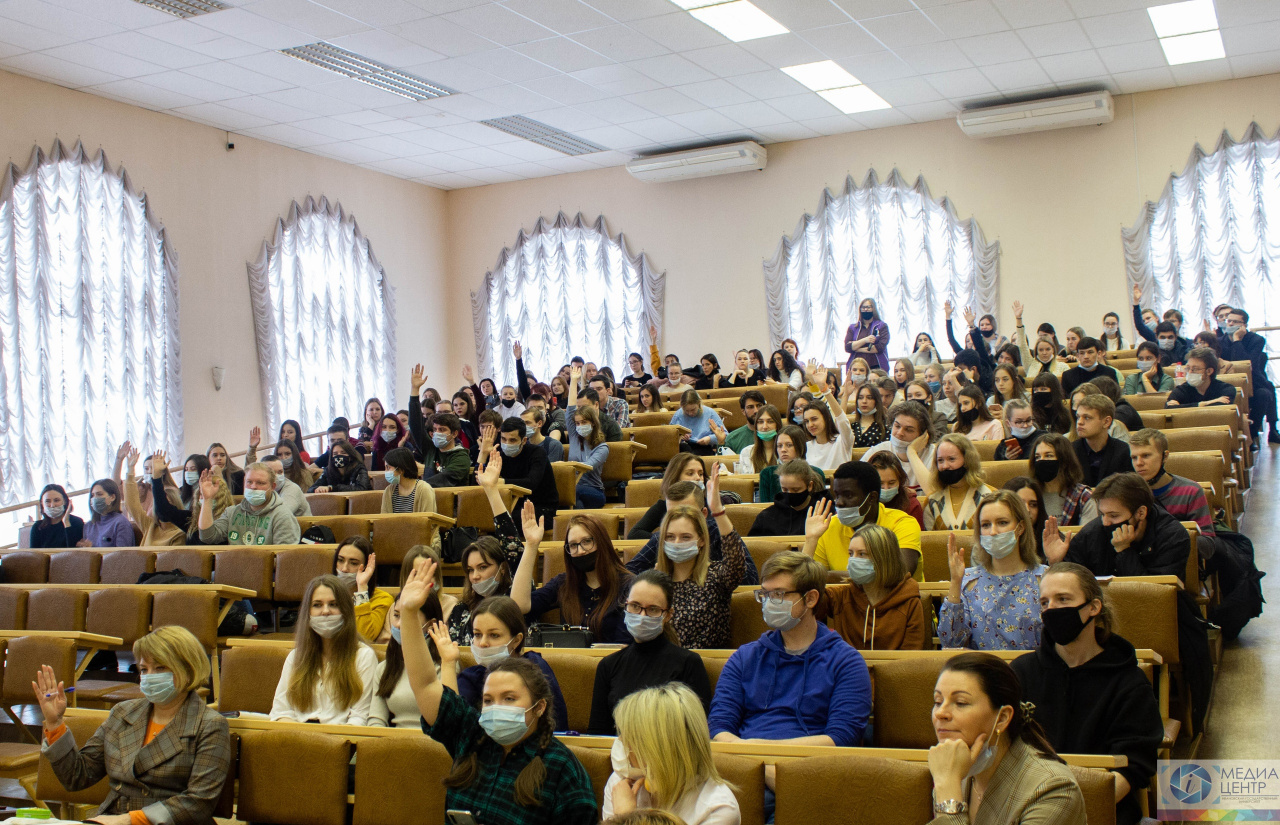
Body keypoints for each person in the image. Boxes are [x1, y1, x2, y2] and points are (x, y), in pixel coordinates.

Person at [401, 569, 600, 825]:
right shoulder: (472, 737)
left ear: (539, 707)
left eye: (509, 699)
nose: (496, 707)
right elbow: (426, 683)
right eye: (488, 700)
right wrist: (408, 613)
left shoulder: (563, 768)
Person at [709, 552, 871, 818]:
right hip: (742, 772)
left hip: (807, 773)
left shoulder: (846, 662)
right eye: (764, 594)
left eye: (779, 594)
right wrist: (761, 767)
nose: (768, 602)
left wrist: (770, 763)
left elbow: (841, 738)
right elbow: (718, 727)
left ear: (811, 599)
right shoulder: (744, 657)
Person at [1045, 472, 1210, 726]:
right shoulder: (1094, 533)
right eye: (1102, 514)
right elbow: (1069, 584)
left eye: (1114, 516)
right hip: (1102, 620)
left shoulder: (1173, 535)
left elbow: (1152, 598)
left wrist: (1124, 551)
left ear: (1141, 513)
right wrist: (1057, 563)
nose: (1105, 522)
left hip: (1156, 621)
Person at [1012, 563, 1164, 825]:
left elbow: (1132, 766)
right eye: (1045, 602)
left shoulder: (1128, 682)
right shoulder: (1021, 672)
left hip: (1101, 810)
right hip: (1028, 808)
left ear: (1093, 607)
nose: (1052, 610)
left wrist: (1064, 812)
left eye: (1063, 599)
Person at [35, 626, 231, 824]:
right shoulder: (122, 713)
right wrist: (54, 723)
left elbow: (198, 803)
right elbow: (77, 776)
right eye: (144, 669)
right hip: (111, 819)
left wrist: (127, 820)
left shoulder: (210, 725)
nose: (150, 676)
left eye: (160, 668)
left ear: (188, 670)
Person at [927, 652, 1086, 824]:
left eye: (961, 702)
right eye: (938, 701)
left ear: (1002, 718)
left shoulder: (1053, 788)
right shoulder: (953, 769)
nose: (940, 713)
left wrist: (949, 797)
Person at [588, 571, 713, 736]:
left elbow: (697, 731)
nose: (642, 616)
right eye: (635, 606)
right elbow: (598, 733)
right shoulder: (608, 665)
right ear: (626, 606)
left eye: (653, 609)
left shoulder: (688, 663)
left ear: (668, 615)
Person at [603, 684, 740, 825]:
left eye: (630, 738)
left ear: (658, 748)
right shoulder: (620, 785)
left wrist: (626, 818)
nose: (622, 743)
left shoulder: (718, 809)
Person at [939, 490, 1047, 650]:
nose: (993, 532)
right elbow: (951, 644)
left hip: (1032, 665)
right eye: (985, 525)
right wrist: (955, 582)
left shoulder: (1044, 578)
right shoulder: (967, 580)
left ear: (1020, 527)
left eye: (1002, 522)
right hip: (982, 665)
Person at [654, 468, 747, 649]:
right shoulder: (656, 581)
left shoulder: (716, 576)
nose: (677, 543)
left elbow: (736, 562)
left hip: (705, 661)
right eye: (670, 537)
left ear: (701, 540)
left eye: (686, 537)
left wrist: (718, 511)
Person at [512, 506, 632, 644]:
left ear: (602, 542)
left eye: (587, 541)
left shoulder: (628, 585)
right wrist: (531, 545)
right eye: (573, 545)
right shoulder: (563, 583)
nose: (580, 551)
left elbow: (625, 645)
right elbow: (519, 605)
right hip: (569, 657)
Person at [269, 573, 378, 724]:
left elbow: (360, 718)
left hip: (341, 736)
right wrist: (300, 735)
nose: (325, 611)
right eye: (317, 605)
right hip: (296, 733)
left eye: (333, 604)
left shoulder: (364, 656)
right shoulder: (295, 657)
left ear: (346, 610)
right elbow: (280, 711)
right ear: (308, 612)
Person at [449, 596, 569, 732]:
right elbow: (454, 725)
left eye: (494, 635)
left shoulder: (535, 668)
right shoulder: (471, 677)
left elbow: (556, 725)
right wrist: (448, 664)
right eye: (477, 634)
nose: (483, 643)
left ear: (516, 640)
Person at [804, 460, 922, 579]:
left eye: (848, 495)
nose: (839, 502)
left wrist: (831, 576)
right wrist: (811, 540)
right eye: (837, 495)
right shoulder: (828, 527)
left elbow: (900, 573)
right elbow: (810, 579)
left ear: (872, 498)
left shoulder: (902, 523)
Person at [626, 483, 761, 587]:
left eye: (688, 514)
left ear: (704, 514)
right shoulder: (662, 537)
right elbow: (628, 574)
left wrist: (707, 575)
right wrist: (651, 579)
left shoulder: (719, 532)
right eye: (672, 515)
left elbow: (750, 579)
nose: (679, 521)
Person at [820, 524, 926, 650]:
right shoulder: (842, 595)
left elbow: (911, 653)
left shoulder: (909, 601)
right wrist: (811, 540)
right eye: (850, 554)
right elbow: (806, 603)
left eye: (861, 554)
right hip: (846, 663)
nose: (853, 560)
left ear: (882, 558)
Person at [368, 594, 446, 728]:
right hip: (393, 740)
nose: (399, 624)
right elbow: (376, 720)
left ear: (430, 625)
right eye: (396, 615)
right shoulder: (384, 668)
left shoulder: (446, 664)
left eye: (408, 617)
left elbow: (446, 720)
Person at [1128, 428, 1215, 536]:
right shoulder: (1128, 494)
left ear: (1165, 456)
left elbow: (1207, 539)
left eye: (1146, 456)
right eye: (1134, 458)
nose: (1138, 463)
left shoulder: (1191, 491)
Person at [1220, 306, 1280, 443]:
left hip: (1253, 381)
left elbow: (1246, 365)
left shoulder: (1256, 340)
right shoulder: (1220, 341)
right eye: (1229, 321)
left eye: (1235, 322)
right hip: (1228, 383)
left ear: (1244, 325)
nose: (1230, 324)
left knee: (1265, 392)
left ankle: (1253, 434)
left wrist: (1237, 341)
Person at [493, 417, 558, 530]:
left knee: (505, 521)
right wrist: (483, 453)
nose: (507, 444)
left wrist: (502, 482)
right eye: (503, 439)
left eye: (512, 440)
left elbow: (531, 483)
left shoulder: (537, 453)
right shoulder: (499, 454)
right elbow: (482, 480)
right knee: (486, 515)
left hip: (542, 507)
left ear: (523, 440)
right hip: (512, 505)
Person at [922, 434, 995, 531]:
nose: (945, 466)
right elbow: (929, 538)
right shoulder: (932, 501)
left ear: (967, 460)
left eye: (951, 459)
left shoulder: (990, 496)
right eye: (940, 460)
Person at [862, 401, 937, 495]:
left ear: (923, 435)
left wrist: (911, 452)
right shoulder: (877, 451)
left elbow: (934, 495)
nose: (899, 433)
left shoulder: (933, 455)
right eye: (897, 426)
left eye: (909, 430)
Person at [627, 455, 706, 541]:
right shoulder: (663, 506)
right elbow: (634, 534)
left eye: (701, 474)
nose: (698, 478)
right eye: (690, 473)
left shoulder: (710, 504)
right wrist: (668, 537)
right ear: (676, 477)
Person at [1028, 433, 1097, 526]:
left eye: (1048, 456)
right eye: (1037, 457)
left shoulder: (1084, 497)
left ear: (1064, 460)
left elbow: (1088, 533)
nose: (1041, 461)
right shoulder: (1029, 494)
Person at [333, 537, 394, 641]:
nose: (344, 569)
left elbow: (364, 638)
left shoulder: (382, 599)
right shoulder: (326, 595)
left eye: (353, 563)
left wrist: (362, 587)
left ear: (366, 567)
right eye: (340, 560)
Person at [749, 460, 828, 537]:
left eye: (796, 490)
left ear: (810, 486)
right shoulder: (766, 517)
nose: (790, 493)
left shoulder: (823, 512)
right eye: (785, 489)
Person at [1071, 395, 1132, 487]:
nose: (1079, 422)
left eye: (1087, 417)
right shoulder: (1070, 451)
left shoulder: (1123, 451)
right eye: (1078, 417)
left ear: (1106, 422)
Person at [757, 425, 824, 506]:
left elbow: (820, 506)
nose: (783, 450)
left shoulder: (816, 472)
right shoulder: (767, 473)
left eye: (789, 445)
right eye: (779, 446)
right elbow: (764, 507)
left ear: (800, 446)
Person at [800, 372, 855, 471]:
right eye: (806, 421)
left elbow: (841, 419)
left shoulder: (842, 440)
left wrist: (825, 390)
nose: (810, 425)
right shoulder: (807, 446)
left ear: (826, 418)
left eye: (814, 419)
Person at [1132, 285, 1191, 364]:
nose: (1166, 340)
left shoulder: (1184, 346)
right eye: (1162, 337)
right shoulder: (1154, 342)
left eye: (1170, 337)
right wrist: (1136, 303)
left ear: (1175, 337)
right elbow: (1140, 326)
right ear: (1156, 337)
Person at [1166, 346, 1237, 408]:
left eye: (1195, 369)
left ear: (1209, 371)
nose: (1190, 372)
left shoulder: (1226, 389)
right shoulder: (1181, 390)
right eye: (1188, 368)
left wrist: (1185, 406)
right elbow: (1169, 407)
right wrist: (1204, 404)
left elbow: (1222, 406)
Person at [866, 451, 923, 527]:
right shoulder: (862, 504)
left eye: (891, 483)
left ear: (900, 481)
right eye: (880, 483)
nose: (886, 488)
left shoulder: (912, 505)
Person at [568, 405, 610, 509]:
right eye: (577, 423)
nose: (580, 426)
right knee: (577, 502)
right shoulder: (574, 437)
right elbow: (570, 410)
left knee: (574, 491)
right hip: (574, 488)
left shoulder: (602, 447)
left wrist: (566, 466)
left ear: (593, 423)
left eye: (584, 422)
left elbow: (588, 466)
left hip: (594, 490)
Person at [377, 446, 436, 515]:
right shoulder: (389, 490)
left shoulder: (424, 489)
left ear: (401, 469)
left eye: (388, 468)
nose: (386, 471)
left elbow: (428, 519)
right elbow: (384, 518)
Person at [1004, 477, 1052, 561]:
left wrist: (1054, 560)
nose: (1027, 510)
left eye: (1033, 505)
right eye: (1020, 503)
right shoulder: (995, 540)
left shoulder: (1052, 540)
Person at [670, 390, 727, 457]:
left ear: (699, 404)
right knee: (683, 448)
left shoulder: (710, 413)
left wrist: (710, 438)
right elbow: (670, 435)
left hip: (704, 448)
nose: (690, 413)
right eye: (686, 410)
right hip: (684, 448)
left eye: (693, 410)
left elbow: (725, 435)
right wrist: (680, 436)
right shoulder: (678, 414)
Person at [81, 478, 135, 548]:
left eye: (99, 494)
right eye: (93, 495)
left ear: (112, 497)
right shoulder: (89, 525)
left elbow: (122, 553)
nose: (95, 498)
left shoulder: (121, 523)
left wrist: (93, 550)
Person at [30, 484, 85, 548]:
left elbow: (73, 551)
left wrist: (66, 523)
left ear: (65, 501)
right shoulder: (37, 527)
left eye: (56, 500)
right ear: (42, 504)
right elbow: (33, 552)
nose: (52, 505)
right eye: (47, 501)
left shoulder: (76, 522)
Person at [258, 453, 311, 518]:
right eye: (271, 472)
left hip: (301, 524)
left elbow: (281, 514)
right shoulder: (259, 487)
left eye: (280, 472)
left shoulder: (292, 489)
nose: (277, 476)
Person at [733, 404, 781, 476]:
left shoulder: (785, 451)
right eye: (760, 422)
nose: (765, 427)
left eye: (770, 421)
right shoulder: (746, 452)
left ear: (777, 425)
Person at [846, 298, 890, 372]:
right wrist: (865, 340)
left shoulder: (882, 326)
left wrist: (856, 348)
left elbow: (879, 348)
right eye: (863, 307)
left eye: (868, 307)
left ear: (873, 309)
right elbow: (847, 347)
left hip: (877, 366)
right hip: (857, 368)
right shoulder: (853, 328)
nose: (865, 309)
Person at [848, 382, 888, 448]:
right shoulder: (851, 425)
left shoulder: (885, 426)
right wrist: (846, 395)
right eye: (860, 398)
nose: (864, 401)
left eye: (869, 398)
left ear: (876, 401)